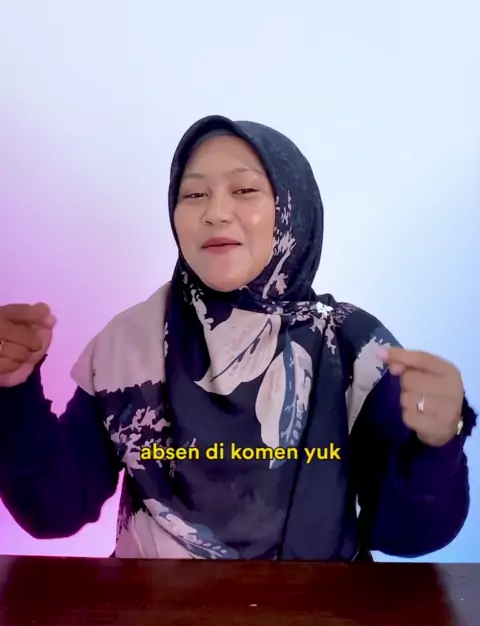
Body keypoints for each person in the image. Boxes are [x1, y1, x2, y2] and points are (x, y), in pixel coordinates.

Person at [0, 115, 476, 561]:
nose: (215, 213)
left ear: (292, 208)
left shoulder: (352, 348)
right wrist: (13, 390)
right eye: (193, 194)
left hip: (318, 612)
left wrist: (437, 444)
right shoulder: (129, 344)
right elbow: (53, 511)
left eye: (245, 189)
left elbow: (410, 536)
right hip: (152, 611)